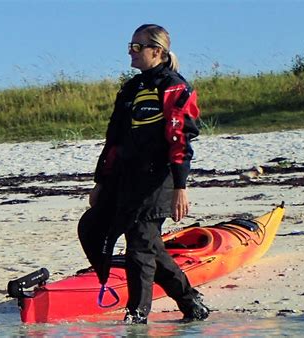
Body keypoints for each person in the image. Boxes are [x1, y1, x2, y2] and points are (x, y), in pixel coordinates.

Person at [78, 24, 209, 324]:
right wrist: (101, 183)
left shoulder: (175, 87)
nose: (130, 52)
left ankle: (137, 316)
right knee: (117, 234)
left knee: (139, 243)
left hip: (158, 179)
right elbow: (114, 140)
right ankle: (191, 303)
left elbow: (180, 140)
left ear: (157, 51)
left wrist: (180, 186)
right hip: (127, 178)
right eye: (130, 46)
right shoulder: (131, 89)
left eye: (137, 47)